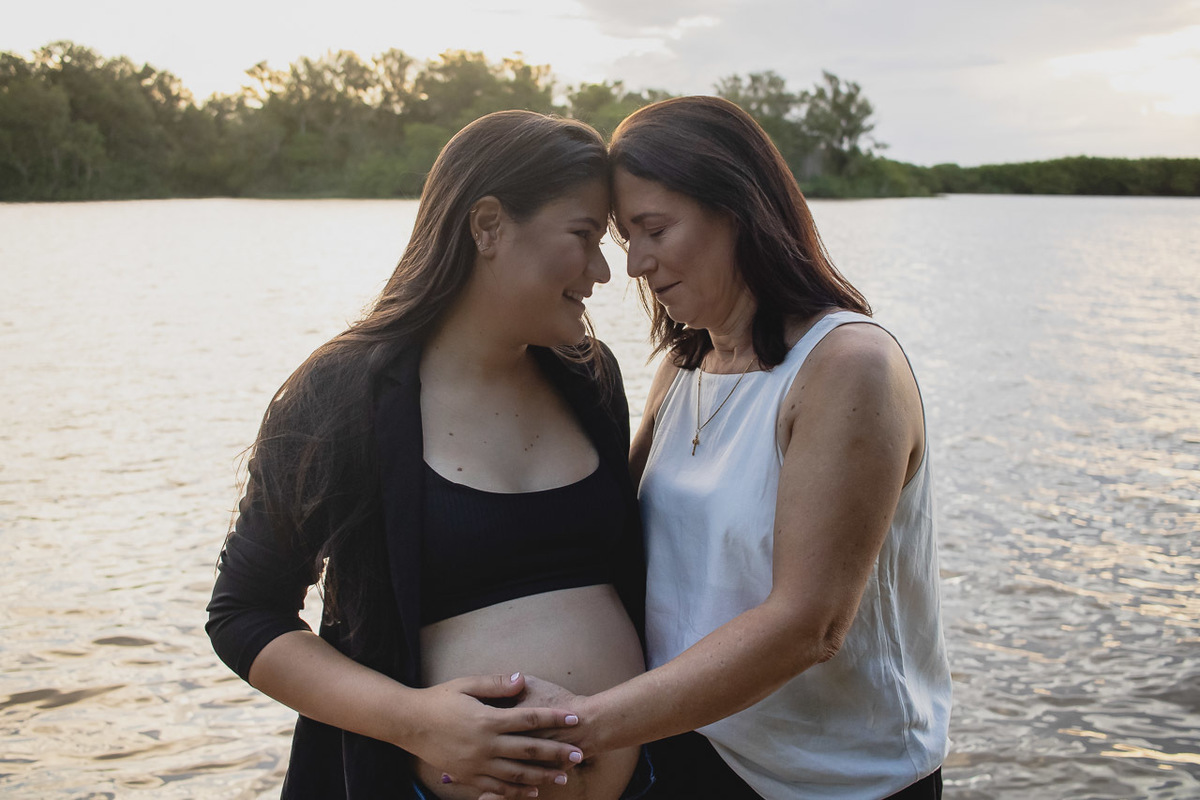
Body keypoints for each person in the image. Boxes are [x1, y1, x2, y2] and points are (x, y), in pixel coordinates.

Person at [509, 96, 951, 800]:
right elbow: (614, 551)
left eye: (655, 229)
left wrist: (580, 727)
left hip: (840, 781)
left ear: (739, 208)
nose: (636, 266)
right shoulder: (681, 370)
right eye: (629, 240)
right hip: (690, 753)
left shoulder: (846, 366)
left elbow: (809, 624)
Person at [206, 110, 655, 800]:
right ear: (487, 226)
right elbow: (245, 613)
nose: (603, 270)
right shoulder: (344, 393)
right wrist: (413, 722)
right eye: (584, 236)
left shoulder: (590, 377)